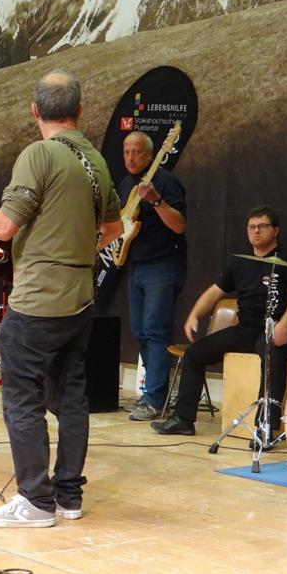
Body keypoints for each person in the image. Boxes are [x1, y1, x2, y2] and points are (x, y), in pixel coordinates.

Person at [0, 69, 122, 528]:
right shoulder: (96, 160)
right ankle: (68, 496)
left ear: (34, 111)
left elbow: (4, 226)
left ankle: (35, 501)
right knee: (71, 397)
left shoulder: (40, 154)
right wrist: (73, 246)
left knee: (22, 398)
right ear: (80, 110)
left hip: (38, 300)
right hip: (80, 297)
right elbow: (113, 228)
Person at [152, 206, 287, 439]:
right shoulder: (239, 262)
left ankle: (265, 428)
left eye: (262, 226)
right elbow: (214, 292)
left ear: (275, 230)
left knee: (272, 358)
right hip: (245, 329)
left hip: (274, 330)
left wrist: (285, 324)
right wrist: (194, 314)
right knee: (194, 354)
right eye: (251, 227)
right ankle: (183, 420)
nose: (256, 231)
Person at [117, 130, 187, 420]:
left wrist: (157, 201)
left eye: (137, 152)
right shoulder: (126, 185)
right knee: (140, 331)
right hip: (137, 264)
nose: (131, 157)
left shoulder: (166, 181)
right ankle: (154, 393)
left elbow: (179, 225)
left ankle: (155, 399)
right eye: (126, 152)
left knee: (155, 331)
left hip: (163, 264)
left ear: (150, 155)